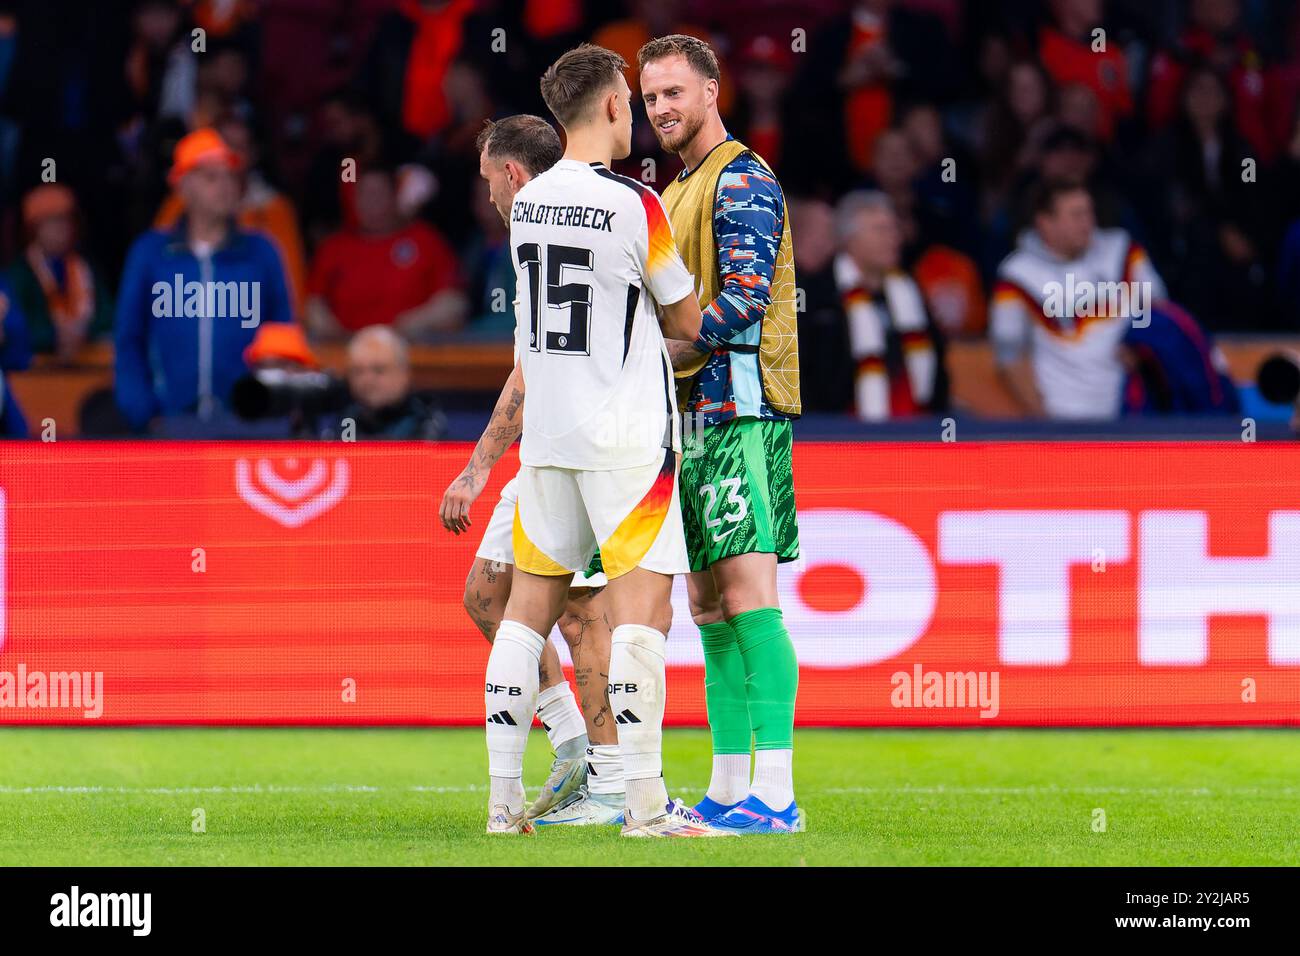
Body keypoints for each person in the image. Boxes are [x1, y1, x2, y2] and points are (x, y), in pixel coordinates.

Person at [481, 43, 708, 838]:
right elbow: (688, 323)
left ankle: (503, 807)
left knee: (522, 618)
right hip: (624, 439)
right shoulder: (635, 206)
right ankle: (645, 805)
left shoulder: (529, 203)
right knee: (644, 612)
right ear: (612, 104)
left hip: (545, 441)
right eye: (628, 98)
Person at [439, 115, 625, 828]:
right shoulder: (529, 244)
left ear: (512, 174)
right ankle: (574, 743)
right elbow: (527, 370)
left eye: (488, 179)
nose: (486, 195)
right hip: (544, 451)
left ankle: (611, 782)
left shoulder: (571, 228)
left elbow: (528, 371)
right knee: (486, 597)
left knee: (582, 619)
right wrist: (481, 467)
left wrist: (476, 469)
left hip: (592, 456)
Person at [639, 34, 804, 833]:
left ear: (711, 91)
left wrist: (647, 353)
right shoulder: (678, 188)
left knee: (749, 594)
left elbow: (740, 301)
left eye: (674, 92)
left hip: (741, 408)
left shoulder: (740, 177)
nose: (662, 109)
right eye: (649, 99)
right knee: (707, 607)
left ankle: (777, 793)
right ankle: (730, 788)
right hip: (693, 416)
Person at [114, 128, 293, 431]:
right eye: (211, 177)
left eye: (230, 177)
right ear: (183, 186)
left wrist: (272, 410)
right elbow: (129, 340)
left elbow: (284, 335)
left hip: (247, 424)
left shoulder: (262, 251)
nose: (224, 186)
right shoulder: (151, 253)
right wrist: (144, 413)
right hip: (170, 422)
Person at [991, 179, 1166, 420]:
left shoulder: (1122, 250)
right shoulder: (1017, 274)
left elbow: (1154, 305)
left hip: (1133, 412)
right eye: (1076, 215)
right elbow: (1009, 356)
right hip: (1064, 417)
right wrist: (1043, 421)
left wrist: (1139, 344)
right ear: (1045, 223)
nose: (1087, 223)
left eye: (1089, 212)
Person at [306, 164, 467, 340]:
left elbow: (453, 303)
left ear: (394, 197)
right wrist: (331, 330)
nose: (370, 202)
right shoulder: (334, 248)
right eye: (364, 194)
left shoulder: (426, 241)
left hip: (413, 353)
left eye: (377, 194)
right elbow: (313, 305)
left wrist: (414, 323)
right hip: (345, 353)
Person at [834, 191, 949, 420]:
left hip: (913, 428)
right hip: (839, 433)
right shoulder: (821, 294)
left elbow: (937, 365)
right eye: (880, 230)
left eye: (894, 229)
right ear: (850, 239)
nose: (894, 238)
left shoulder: (910, 291)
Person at [8, 184, 114, 361]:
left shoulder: (85, 268)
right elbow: (14, 327)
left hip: (87, 362)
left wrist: (85, 332)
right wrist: (53, 335)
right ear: (34, 228)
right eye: (53, 222)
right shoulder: (19, 274)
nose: (62, 229)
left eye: (67, 220)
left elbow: (108, 315)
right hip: (35, 371)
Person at [332, 326, 446, 440]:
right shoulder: (347, 420)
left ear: (403, 374)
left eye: (379, 370)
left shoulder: (426, 424)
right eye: (358, 371)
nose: (367, 380)